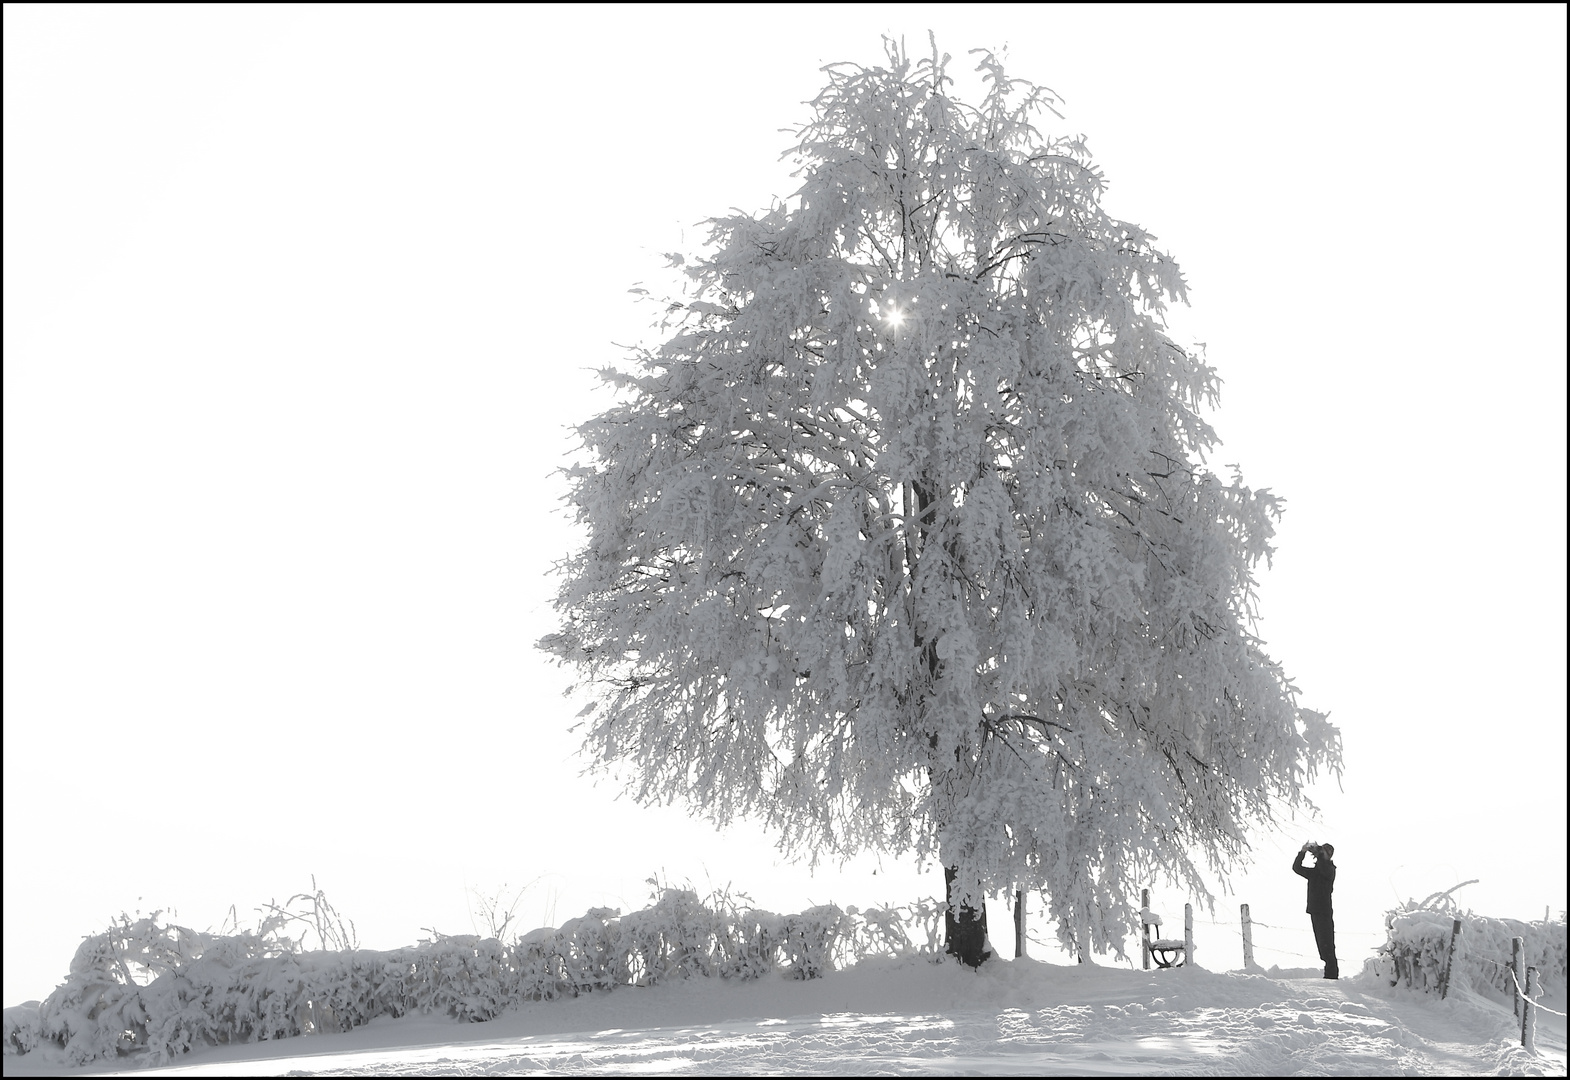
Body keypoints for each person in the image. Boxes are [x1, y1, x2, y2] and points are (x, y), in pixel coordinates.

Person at [1293, 841, 1338, 979]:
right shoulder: (1314, 872)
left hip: (1324, 911)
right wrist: (1302, 852)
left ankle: (1332, 976)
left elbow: (1324, 869)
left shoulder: (1330, 870)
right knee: (1321, 945)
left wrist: (1320, 856)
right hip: (1315, 910)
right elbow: (1296, 868)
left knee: (1328, 944)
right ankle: (1329, 975)